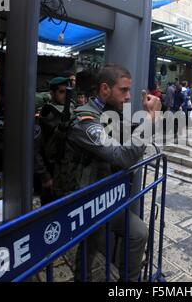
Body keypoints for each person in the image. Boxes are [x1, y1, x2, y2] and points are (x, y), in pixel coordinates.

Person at [53, 64, 161, 282]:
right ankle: (82, 277)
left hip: (106, 195)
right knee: (90, 245)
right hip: (85, 199)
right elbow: (123, 156)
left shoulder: (111, 114)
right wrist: (150, 119)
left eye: (129, 90)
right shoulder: (86, 122)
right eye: (123, 90)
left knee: (138, 233)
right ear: (104, 89)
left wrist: (146, 119)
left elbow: (127, 143)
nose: (128, 96)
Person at [34, 76, 76, 206]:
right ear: (52, 93)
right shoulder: (47, 114)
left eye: (67, 92)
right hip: (52, 170)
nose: (65, 96)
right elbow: (35, 149)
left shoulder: (71, 110)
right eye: (61, 92)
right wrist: (45, 176)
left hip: (68, 171)